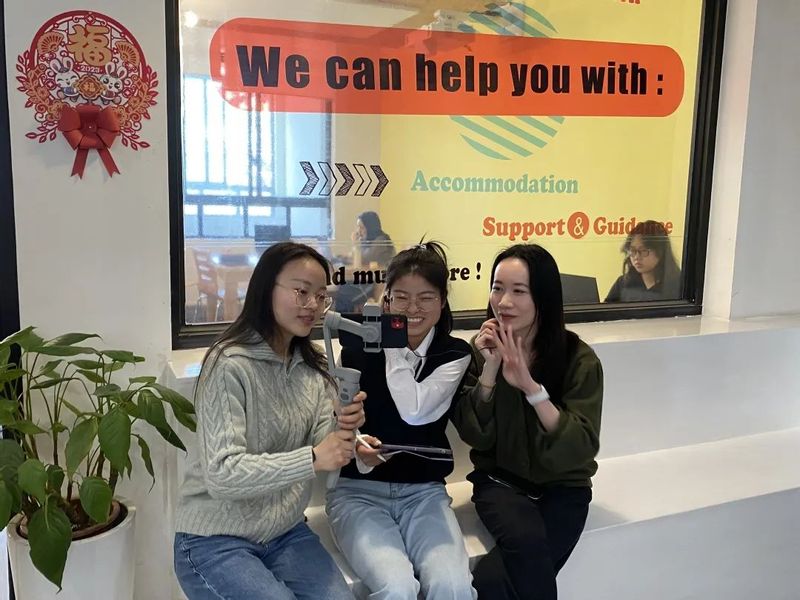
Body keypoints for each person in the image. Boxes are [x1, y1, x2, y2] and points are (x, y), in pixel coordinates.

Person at [173, 242, 365, 600]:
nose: (312, 305)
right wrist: (313, 458)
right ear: (266, 289)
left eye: (320, 296)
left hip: (285, 532)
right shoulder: (229, 365)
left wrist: (345, 425)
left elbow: (323, 442)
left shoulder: (314, 365)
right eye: (301, 291)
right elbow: (223, 474)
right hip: (214, 539)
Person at [326, 242, 477, 600]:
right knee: (397, 588)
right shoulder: (357, 344)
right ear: (387, 299)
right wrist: (358, 444)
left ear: (442, 301)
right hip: (357, 493)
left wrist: (391, 344)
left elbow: (414, 411)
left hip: (423, 492)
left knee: (453, 587)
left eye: (426, 298)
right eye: (402, 298)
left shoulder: (454, 355)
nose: (413, 309)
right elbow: (338, 418)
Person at [452, 244, 603, 600]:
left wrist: (531, 388)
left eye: (519, 291)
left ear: (543, 298)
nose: (503, 302)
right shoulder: (480, 350)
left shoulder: (579, 360)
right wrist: (490, 369)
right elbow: (476, 435)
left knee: (491, 581)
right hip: (500, 483)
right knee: (527, 546)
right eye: (497, 288)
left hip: (563, 489)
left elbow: (581, 447)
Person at [604, 220, 682, 302]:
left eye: (643, 250)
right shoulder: (624, 283)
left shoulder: (677, 285)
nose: (636, 257)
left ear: (660, 252)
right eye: (632, 251)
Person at [334, 211, 396, 312]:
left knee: (344, 290)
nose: (358, 231)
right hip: (368, 278)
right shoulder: (369, 240)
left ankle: (345, 317)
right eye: (358, 227)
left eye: (361, 227)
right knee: (343, 287)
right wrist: (344, 257)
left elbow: (364, 258)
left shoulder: (381, 241)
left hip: (378, 281)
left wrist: (355, 244)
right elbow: (356, 257)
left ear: (370, 227)